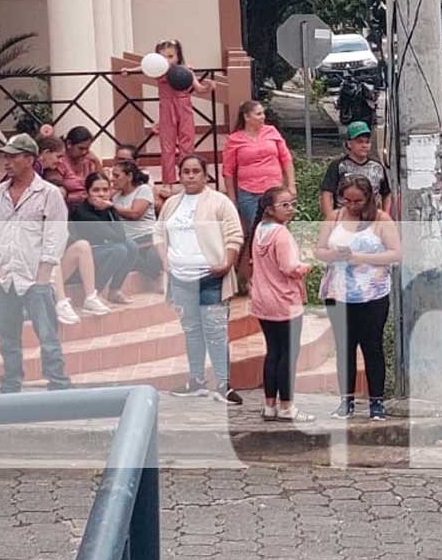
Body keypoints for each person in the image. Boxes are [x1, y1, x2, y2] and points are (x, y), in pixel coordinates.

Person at [0, 133, 71, 392]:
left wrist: (43, 274)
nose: (7, 162)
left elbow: (56, 235)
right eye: (5, 157)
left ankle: (58, 385)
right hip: (4, 276)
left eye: (13, 156)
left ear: (29, 159)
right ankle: (11, 385)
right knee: (7, 339)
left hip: (35, 276)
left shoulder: (48, 194)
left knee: (48, 337)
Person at [155, 154, 244, 404]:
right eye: (186, 171)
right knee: (192, 331)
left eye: (196, 171)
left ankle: (223, 384)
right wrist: (165, 261)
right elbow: (158, 233)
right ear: (180, 175)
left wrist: (226, 262)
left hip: (211, 278)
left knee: (215, 332)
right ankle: (196, 380)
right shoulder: (172, 203)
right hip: (181, 280)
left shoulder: (220, 202)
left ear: (206, 175)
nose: (191, 175)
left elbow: (234, 235)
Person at [315, 174, 401, 421]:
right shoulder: (335, 217)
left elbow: (396, 253)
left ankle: (376, 402)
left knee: (372, 346)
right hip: (339, 291)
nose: (352, 206)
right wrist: (334, 255)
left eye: (358, 201)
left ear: (368, 199)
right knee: (344, 347)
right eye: (348, 200)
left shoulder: (381, 220)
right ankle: (346, 400)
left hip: (372, 293)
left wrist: (361, 258)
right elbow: (319, 249)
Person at [250, 187, 314, 424]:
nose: (290, 209)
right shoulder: (282, 234)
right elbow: (290, 268)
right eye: (284, 205)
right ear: (269, 209)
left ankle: (269, 405)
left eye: (292, 204)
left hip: (263, 300)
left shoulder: (259, 230)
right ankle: (287, 406)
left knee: (273, 352)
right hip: (285, 300)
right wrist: (306, 266)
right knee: (288, 353)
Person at [223, 100, 294, 233]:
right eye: (258, 114)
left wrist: (291, 185)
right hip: (249, 193)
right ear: (246, 117)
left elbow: (286, 158)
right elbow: (228, 171)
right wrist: (232, 199)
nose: (263, 117)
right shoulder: (234, 139)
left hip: (275, 191)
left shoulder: (271, 132)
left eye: (263, 113)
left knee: (279, 229)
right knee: (257, 231)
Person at [149, 39, 212, 187]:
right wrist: (128, 70)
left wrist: (208, 86)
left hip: (184, 107)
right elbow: (144, 65)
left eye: (170, 56)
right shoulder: (158, 72)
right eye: (163, 57)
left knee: (187, 144)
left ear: (178, 56)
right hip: (166, 108)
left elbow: (199, 88)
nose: (167, 60)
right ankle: (168, 183)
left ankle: (187, 180)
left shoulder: (185, 71)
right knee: (167, 147)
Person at [68, 173, 133, 308]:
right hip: (80, 262)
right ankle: (94, 293)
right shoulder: (81, 212)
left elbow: (121, 236)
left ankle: (114, 290)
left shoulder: (106, 209)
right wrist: (111, 208)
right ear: (87, 193)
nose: (101, 194)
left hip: (101, 252)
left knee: (131, 246)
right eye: (96, 190)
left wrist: (111, 210)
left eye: (105, 190)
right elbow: (117, 236)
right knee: (119, 249)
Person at [319, 121, 393, 219]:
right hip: (344, 219)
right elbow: (327, 194)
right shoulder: (338, 166)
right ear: (349, 144)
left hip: (370, 220)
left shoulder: (377, 167)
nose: (364, 145)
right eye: (360, 142)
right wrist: (330, 220)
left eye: (367, 142)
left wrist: (385, 216)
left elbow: (386, 194)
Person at [110, 160, 161, 280]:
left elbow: (135, 214)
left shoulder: (143, 189)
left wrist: (111, 207)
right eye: (112, 176)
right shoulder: (116, 196)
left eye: (116, 176)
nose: (112, 179)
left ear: (129, 176)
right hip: (125, 241)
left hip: (145, 238)